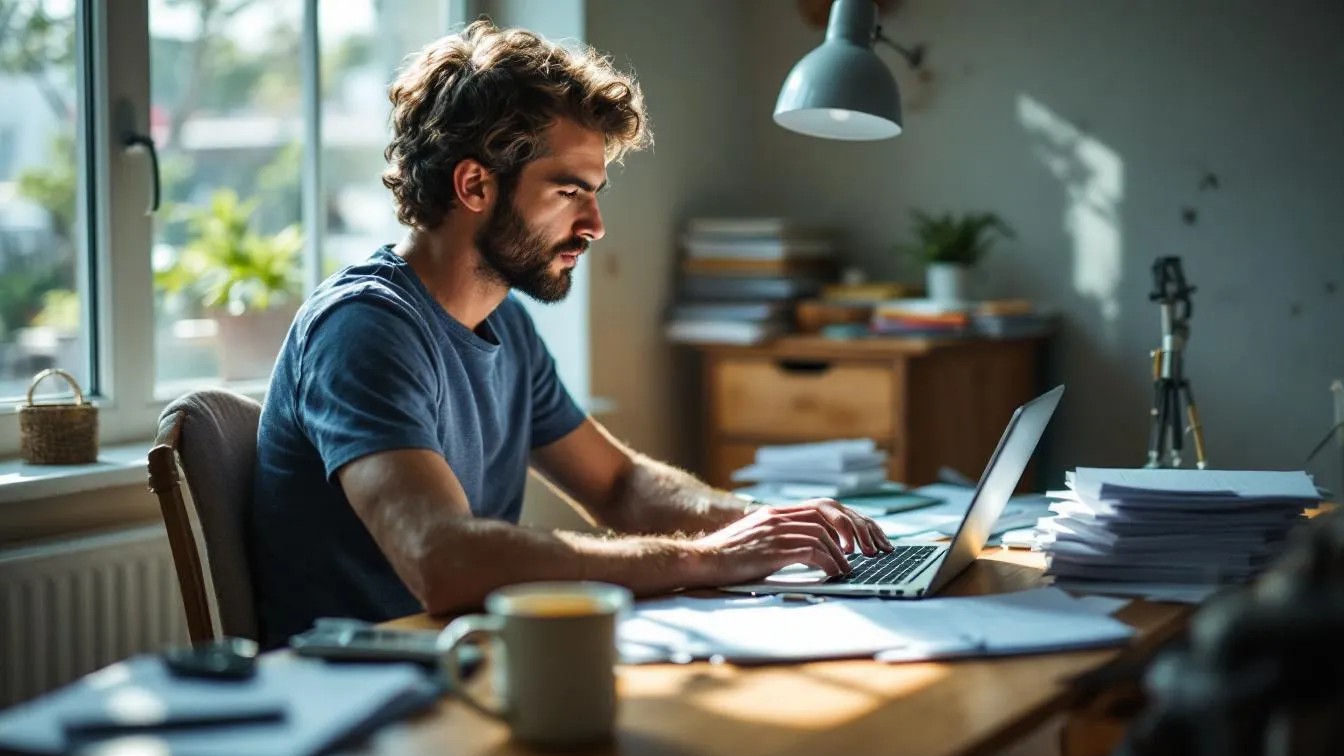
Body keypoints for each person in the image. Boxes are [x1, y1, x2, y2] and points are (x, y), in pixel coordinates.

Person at [249, 19, 893, 649]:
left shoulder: (503, 321)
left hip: (466, 662)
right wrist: (704, 560)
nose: (595, 224)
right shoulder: (363, 328)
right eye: (568, 191)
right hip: (363, 700)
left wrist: (760, 523)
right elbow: (443, 559)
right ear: (474, 184)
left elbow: (619, 484)